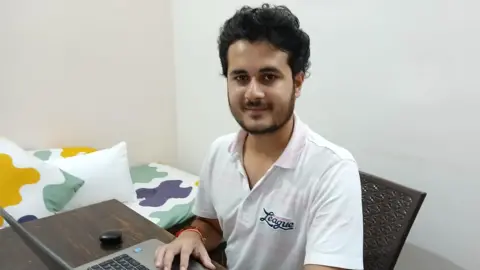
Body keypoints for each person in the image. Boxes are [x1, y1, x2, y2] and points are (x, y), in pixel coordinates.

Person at [154, 4, 364, 270]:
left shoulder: (332, 170)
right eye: (240, 77)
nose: (253, 93)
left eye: (268, 76)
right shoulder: (221, 152)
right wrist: (193, 235)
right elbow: (211, 223)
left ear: (297, 83)